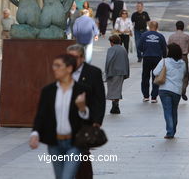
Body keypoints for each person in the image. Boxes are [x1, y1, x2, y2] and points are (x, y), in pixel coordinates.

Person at [29, 54, 91, 179]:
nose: (54, 68)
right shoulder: (48, 91)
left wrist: (82, 108)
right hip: (54, 143)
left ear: (69, 68)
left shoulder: (82, 90)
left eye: (58, 66)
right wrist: (35, 133)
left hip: (74, 143)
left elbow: (89, 119)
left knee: (66, 177)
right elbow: (41, 114)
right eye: (54, 65)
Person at [67, 44, 106, 179]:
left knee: (82, 157)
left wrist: (97, 121)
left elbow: (99, 99)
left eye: (74, 58)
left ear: (82, 58)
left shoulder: (93, 73)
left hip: (85, 122)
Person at [154, 43, 186, 139]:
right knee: (174, 110)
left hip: (165, 89)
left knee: (167, 111)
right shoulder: (183, 63)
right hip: (177, 90)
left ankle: (170, 132)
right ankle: (173, 130)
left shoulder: (164, 61)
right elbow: (183, 75)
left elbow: (155, 72)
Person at [139, 21, 167, 103]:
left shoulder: (144, 35)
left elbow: (139, 47)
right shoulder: (160, 36)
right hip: (157, 59)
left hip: (147, 58)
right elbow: (164, 48)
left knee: (145, 77)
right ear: (157, 27)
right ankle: (154, 97)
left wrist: (145, 50)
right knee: (156, 77)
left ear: (149, 26)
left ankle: (146, 96)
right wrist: (164, 57)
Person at [168, 21, 189, 101]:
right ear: (183, 27)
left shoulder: (171, 36)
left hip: (173, 58)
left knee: (173, 74)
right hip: (183, 57)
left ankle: (174, 91)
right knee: (186, 75)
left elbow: (168, 47)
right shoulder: (186, 36)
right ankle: (183, 90)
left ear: (176, 27)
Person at [105, 35, 130, 114]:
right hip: (122, 72)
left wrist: (106, 71)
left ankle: (115, 106)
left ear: (112, 42)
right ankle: (116, 104)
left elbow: (108, 61)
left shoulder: (111, 49)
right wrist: (127, 72)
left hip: (113, 71)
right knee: (118, 89)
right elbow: (126, 61)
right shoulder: (123, 49)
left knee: (112, 89)